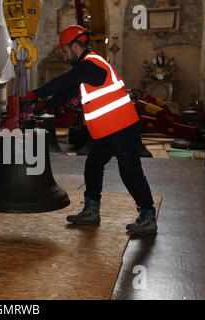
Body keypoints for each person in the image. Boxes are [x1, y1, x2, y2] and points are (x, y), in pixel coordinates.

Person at [23, 25, 157, 236]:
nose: (65, 56)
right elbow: (68, 91)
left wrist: (34, 94)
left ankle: (148, 215)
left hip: (121, 126)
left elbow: (63, 81)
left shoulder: (91, 65)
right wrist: (42, 105)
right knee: (93, 165)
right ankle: (91, 211)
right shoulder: (87, 70)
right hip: (107, 129)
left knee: (130, 172)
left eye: (65, 51)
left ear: (75, 46)